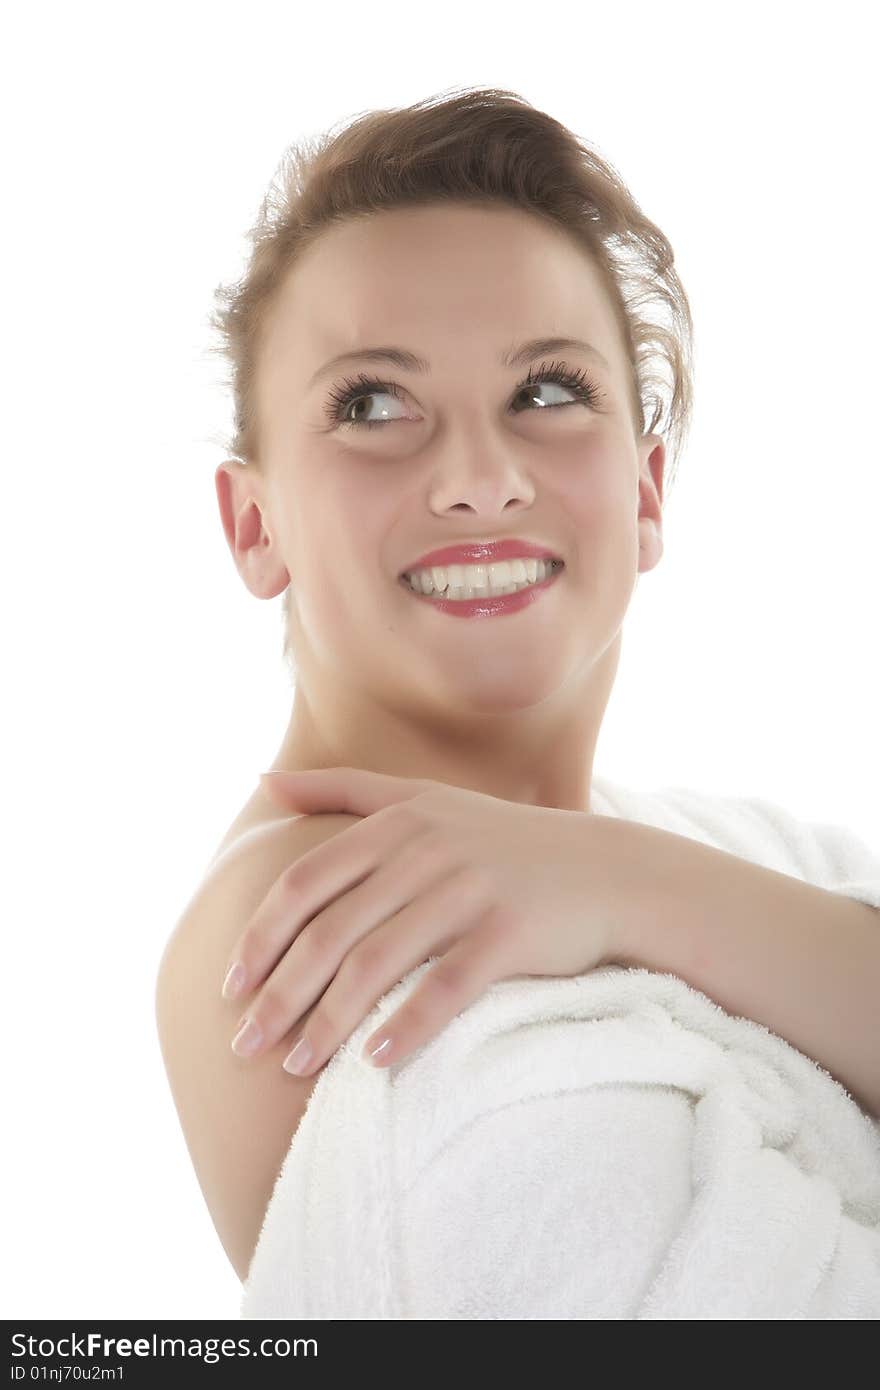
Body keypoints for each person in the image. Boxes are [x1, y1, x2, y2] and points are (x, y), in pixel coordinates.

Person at [155, 86, 699, 1287]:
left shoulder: (708, 846)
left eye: (547, 390)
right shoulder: (304, 922)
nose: (480, 478)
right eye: (373, 403)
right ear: (255, 525)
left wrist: (621, 877)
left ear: (646, 489)